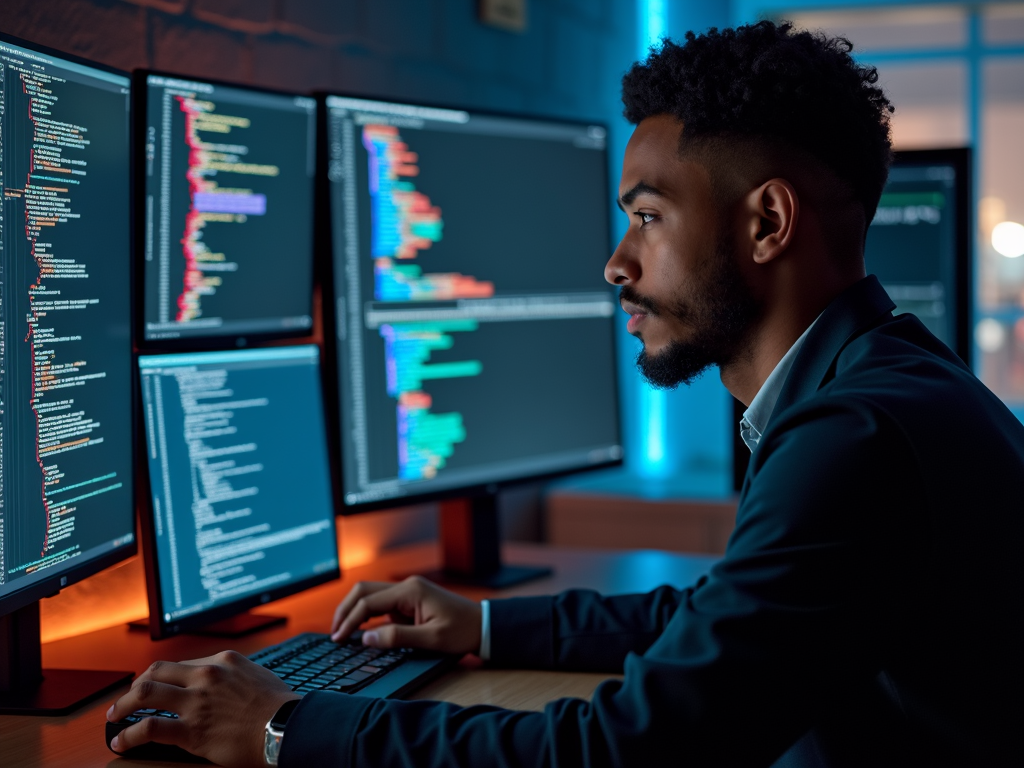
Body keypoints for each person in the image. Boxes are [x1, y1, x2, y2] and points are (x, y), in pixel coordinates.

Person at [108, 20, 1024, 768]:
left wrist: (281, 728)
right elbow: (730, 622)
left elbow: (621, 755)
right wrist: (487, 624)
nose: (616, 263)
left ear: (768, 223)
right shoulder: (885, 383)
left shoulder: (852, 438)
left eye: (648, 216)